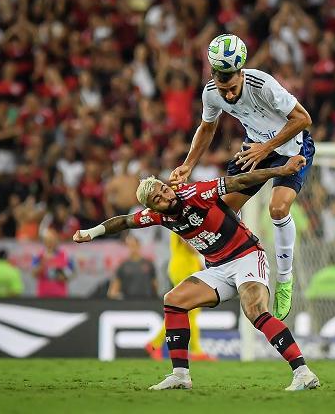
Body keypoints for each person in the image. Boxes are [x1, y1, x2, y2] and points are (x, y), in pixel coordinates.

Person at [73, 155, 320, 392]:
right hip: (218, 268)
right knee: (173, 300)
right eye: (157, 198)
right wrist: (90, 233)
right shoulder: (157, 216)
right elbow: (125, 221)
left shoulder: (196, 193)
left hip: (246, 256)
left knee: (255, 311)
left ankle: (302, 372)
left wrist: (280, 171)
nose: (165, 196)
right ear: (152, 207)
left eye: (164, 189)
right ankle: (180, 375)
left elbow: (239, 182)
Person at [169, 34, 315, 321]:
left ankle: (284, 278)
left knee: (278, 208)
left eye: (233, 88)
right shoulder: (211, 92)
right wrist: (188, 164)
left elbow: (303, 119)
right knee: (219, 211)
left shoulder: (263, 84)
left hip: (291, 148)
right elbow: (207, 128)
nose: (230, 95)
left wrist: (267, 147)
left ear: (241, 73)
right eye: (225, 90)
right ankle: (227, 266)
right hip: (254, 151)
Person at [145, 234, 214, 361]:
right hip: (183, 268)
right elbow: (189, 245)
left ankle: (155, 343)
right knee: (190, 311)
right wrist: (208, 248)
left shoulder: (181, 220)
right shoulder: (184, 221)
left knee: (185, 311)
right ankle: (196, 351)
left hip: (184, 267)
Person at [107, 235, 158, 299]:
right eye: (129, 246)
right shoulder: (122, 266)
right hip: (128, 303)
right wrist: (117, 296)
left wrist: (156, 298)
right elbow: (113, 290)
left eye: (133, 245)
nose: (131, 248)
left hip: (146, 301)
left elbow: (155, 285)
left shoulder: (149, 264)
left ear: (139, 245)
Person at [32, 228, 74, 298]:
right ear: (44, 242)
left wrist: (63, 277)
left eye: (52, 240)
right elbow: (33, 273)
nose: (50, 243)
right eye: (48, 241)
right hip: (43, 294)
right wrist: (43, 265)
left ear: (57, 241)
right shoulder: (38, 255)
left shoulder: (65, 255)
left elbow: (71, 273)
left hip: (60, 295)